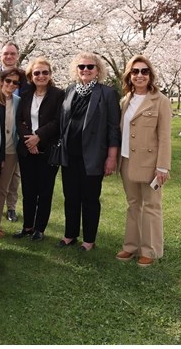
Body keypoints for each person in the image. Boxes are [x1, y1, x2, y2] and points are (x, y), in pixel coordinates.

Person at [56, 52, 121, 252]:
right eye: (81, 67)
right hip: (70, 154)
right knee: (71, 196)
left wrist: (111, 157)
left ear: (98, 70)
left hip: (93, 156)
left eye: (90, 67)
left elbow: (113, 128)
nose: (85, 70)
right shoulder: (69, 90)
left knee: (90, 199)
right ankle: (70, 234)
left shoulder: (107, 93)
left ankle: (89, 239)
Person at [116, 55, 172, 267]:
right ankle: (131, 246)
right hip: (127, 160)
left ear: (150, 75)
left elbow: (165, 136)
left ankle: (150, 250)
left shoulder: (161, 101)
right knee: (133, 204)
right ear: (129, 76)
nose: (139, 75)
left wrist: (163, 166)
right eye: (135, 71)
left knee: (151, 206)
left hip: (150, 162)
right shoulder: (125, 100)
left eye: (144, 71)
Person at [13, 58, 65, 241]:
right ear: (31, 76)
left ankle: (39, 229)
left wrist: (39, 137)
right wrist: (29, 140)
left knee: (44, 190)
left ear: (50, 75)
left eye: (45, 72)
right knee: (28, 190)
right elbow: (18, 120)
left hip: (48, 150)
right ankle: (27, 226)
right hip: (27, 150)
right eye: (37, 73)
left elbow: (58, 121)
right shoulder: (25, 95)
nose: (41, 76)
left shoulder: (59, 95)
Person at [0, 67, 21, 238]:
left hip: (10, 151)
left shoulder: (18, 101)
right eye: (8, 80)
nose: (11, 84)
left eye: (15, 82)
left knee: (2, 190)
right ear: (1, 80)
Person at [0, 41, 26, 222]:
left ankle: (11, 208)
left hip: (12, 145)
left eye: (12, 54)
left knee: (12, 179)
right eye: (6, 53)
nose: (9, 57)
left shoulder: (23, 83)